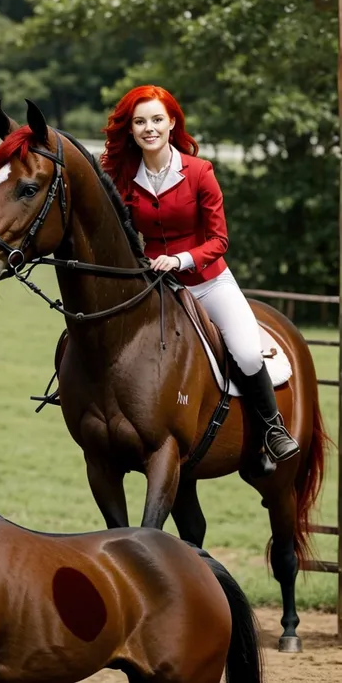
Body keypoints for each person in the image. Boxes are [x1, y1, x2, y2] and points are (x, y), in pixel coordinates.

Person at [100, 85, 299, 471]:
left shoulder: (199, 172)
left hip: (209, 282)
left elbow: (219, 240)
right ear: (131, 129)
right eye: (140, 122)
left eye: (157, 120)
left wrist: (179, 260)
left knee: (243, 350)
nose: (149, 128)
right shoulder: (123, 174)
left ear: (172, 123)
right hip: (156, 286)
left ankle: (271, 431)